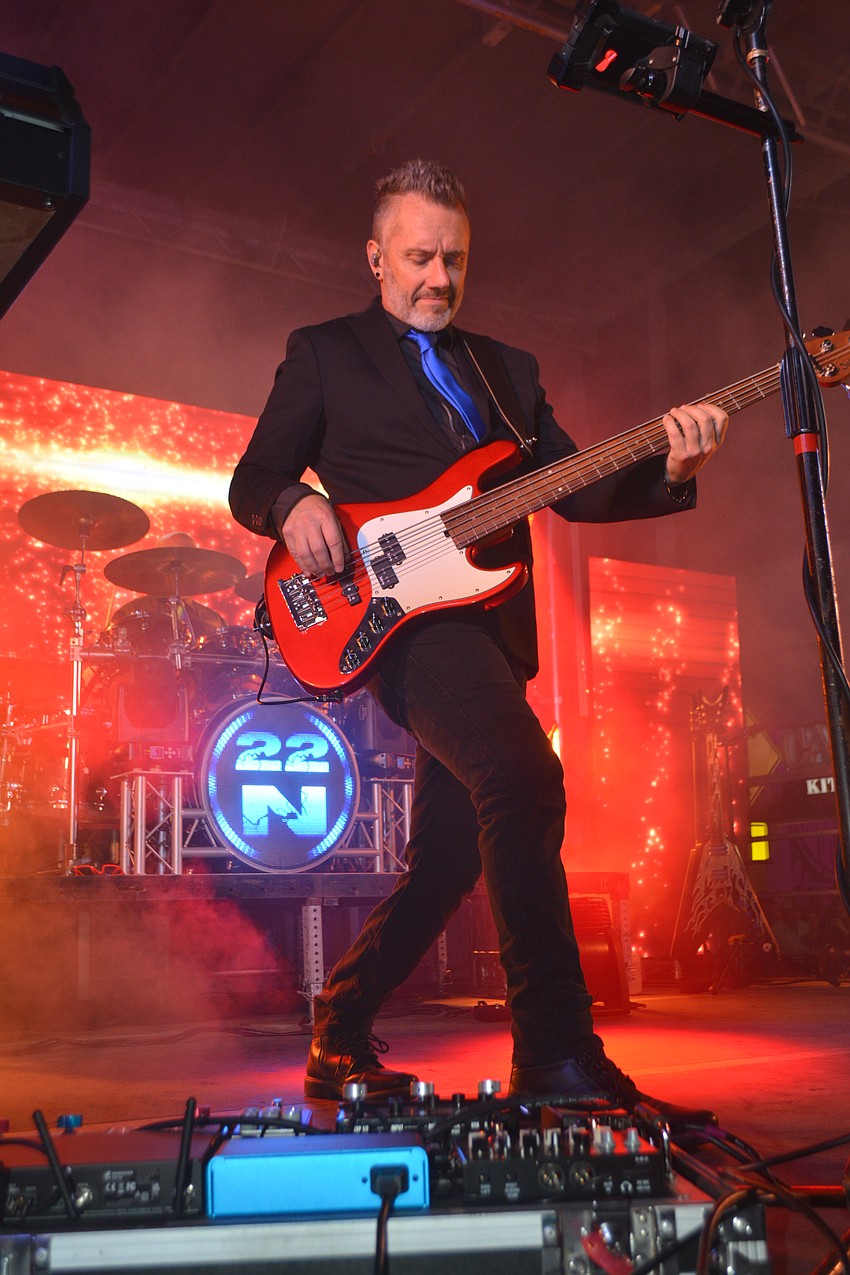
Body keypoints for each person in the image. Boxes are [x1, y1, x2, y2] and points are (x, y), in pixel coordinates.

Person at [229, 159, 728, 1114]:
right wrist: (291, 502)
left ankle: (338, 1029)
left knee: (451, 858)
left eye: (454, 260)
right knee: (525, 778)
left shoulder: (507, 372)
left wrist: (670, 468)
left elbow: (573, 486)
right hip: (396, 624)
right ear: (376, 258)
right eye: (419, 257)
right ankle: (555, 1052)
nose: (438, 278)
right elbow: (253, 475)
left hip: (490, 631)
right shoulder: (325, 353)